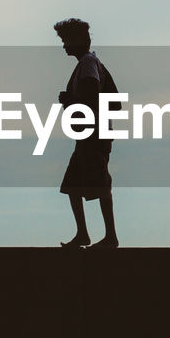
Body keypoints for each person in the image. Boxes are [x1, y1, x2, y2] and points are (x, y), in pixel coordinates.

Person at [53, 18, 119, 249]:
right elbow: (113, 99)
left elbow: (92, 96)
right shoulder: (92, 63)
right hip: (90, 135)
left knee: (99, 183)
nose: (63, 46)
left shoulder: (89, 64)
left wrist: (71, 100)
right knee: (73, 184)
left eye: (65, 40)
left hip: (94, 135)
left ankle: (110, 236)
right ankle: (84, 234)